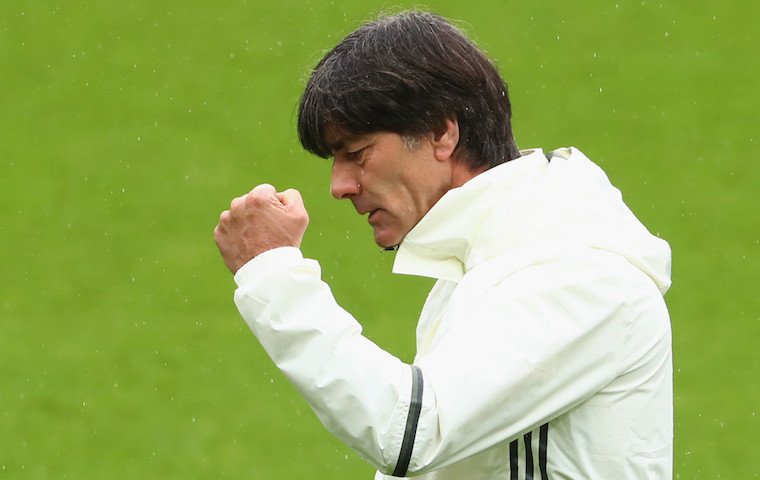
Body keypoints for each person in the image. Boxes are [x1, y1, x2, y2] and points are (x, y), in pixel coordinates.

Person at [214, 11, 673, 480]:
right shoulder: (490, 263)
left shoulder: (575, 274)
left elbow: (409, 432)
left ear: (441, 133)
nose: (339, 186)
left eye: (356, 153)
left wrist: (272, 274)